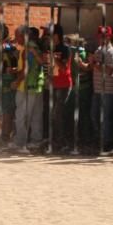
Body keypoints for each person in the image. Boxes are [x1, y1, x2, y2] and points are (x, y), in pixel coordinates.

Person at [84, 26, 113, 153]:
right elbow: (92, 67)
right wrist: (84, 64)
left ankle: (106, 142)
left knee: (106, 117)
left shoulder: (112, 52)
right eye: (100, 37)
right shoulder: (98, 50)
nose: (101, 39)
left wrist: (95, 64)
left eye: (104, 36)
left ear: (109, 37)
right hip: (97, 89)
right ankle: (99, 140)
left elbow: (110, 71)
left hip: (108, 90)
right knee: (94, 115)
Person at [13, 26, 45, 153]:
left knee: (22, 115)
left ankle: (21, 142)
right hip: (37, 86)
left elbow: (26, 70)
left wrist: (17, 81)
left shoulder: (28, 50)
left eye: (17, 36)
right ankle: (36, 141)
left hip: (27, 87)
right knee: (36, 116)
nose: (16, 39)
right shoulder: (35, 47)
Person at [48, 24, 73, 152]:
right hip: (55, 84)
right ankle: (57, 141)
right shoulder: (53, 47)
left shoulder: (65, 49)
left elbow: (63, 68)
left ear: (57, 35)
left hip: (64, 85)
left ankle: (65, 143)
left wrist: (54, 58)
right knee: (54, 115)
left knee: (59, 114)